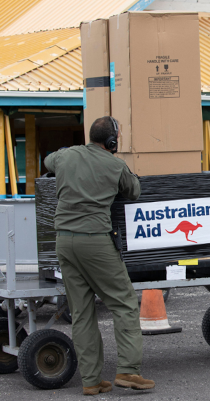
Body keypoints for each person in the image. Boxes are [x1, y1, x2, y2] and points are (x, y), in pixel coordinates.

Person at [44, 116, 154, 395]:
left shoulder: (66, 157)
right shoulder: (115, 164)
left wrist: (69, 155)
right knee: (124, 302)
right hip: (94, 241)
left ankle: (91, 380)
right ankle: (129, 370)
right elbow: (134, 191)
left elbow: (48, 162)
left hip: (64, 241)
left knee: (81, 312)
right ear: (113, 141)